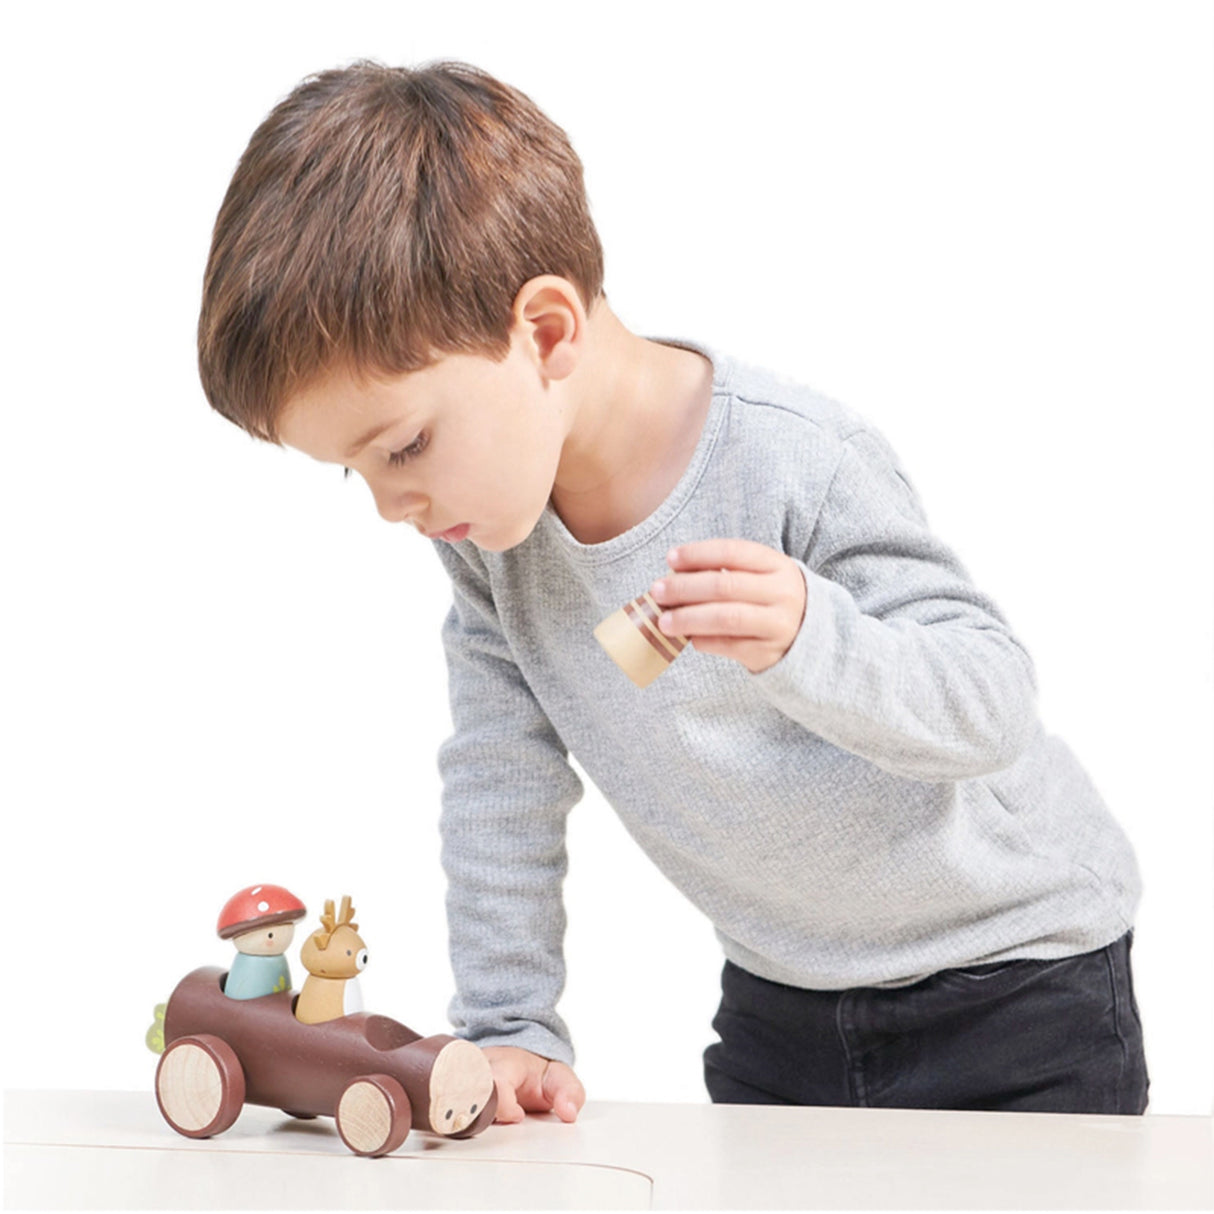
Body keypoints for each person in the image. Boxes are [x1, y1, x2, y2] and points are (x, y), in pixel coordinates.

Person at [196, 59, 1148, 1119]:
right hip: (780, 1005)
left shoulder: (796, 462)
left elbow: (993, 703)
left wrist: (808, 637)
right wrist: (509, 1026)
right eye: (355, 469)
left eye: (407, 444)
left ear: (546, 332)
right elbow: (499, 777)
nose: (390, 505)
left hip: (1017, 985)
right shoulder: (488, 545)